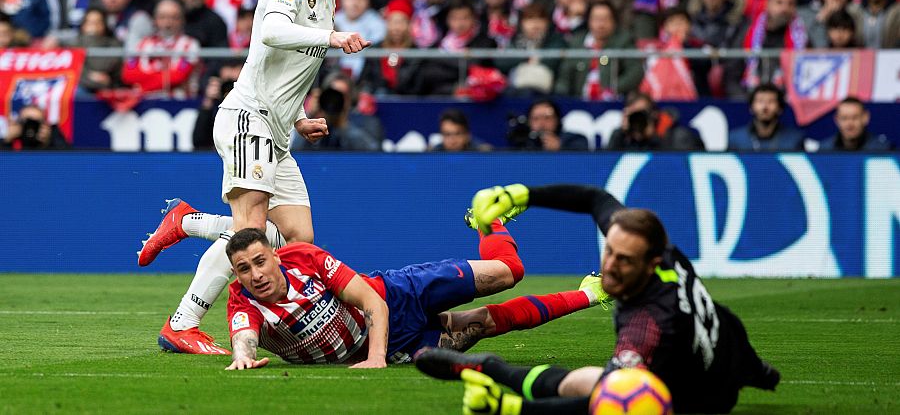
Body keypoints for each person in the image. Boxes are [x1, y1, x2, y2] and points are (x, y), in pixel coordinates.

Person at [138, 0, 372, 354]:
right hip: (249, 119)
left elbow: (291, 68)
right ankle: (182, 322)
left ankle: (190, 222)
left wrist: (299, 115)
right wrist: (335, 38)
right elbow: (272, 32)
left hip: (277, 130)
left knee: (299, 237)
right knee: (250, 237)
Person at [414, 182, 780, 414]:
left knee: (590, 386)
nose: (611, 266)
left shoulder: (647, 325)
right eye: (609, 252)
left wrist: (510, 408)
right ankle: (486, 366)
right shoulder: (652, 246)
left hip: (695, 399)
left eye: (624, 261)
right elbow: (595, 199)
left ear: (652, 264)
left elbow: (602, 404)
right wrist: (523, 195)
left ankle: (492, 370)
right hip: (722, 352)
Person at [224, 213, 609, 369]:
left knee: (510, 272)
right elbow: (244, 337)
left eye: (260, 262)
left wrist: (375, 359)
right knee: (485, 323)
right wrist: (243, 358)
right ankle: (592, 293)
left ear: (274, 256)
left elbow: (370, 300)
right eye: (244, 269)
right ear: (236, 275)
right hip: (399, 344)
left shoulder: (303, 257)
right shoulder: (243, 302)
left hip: (398, 295)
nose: (255, 274)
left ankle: (488, 217)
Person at [121, 0, 200, 95]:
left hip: (179, 101)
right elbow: (128, 74)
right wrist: (161, 77)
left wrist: (144, 85)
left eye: (174, 17)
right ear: (155, 20)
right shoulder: (143, 44)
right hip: (145, 101)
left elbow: (178, 76)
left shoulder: (190, 44)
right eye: (162, 17)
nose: (168, 23)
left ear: (182, 20)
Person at [607, 91, 705, 150]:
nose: (638, 119)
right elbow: (606, 166)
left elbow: (673, 168)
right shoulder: (623, 138)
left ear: (653, 114)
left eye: (641, 114)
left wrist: (652, 137)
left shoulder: (678, 136)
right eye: (634, 115)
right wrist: (621, 133)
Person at [728, 83, 805, 151]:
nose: (765, 107)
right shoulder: (735, 139)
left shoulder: (795, 139)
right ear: (751, 108)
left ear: (780, 108)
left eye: (771, 101)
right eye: (760, 101)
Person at [508, 99, 589, 151]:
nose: (541, 123)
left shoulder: (574, 139)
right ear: (529, 121)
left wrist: (560, 148)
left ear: (557, 120)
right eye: (536, 119)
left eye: (547, 118)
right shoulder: (523, 142)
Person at [819, 97, 893, 151]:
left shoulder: (882, 150)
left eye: (855, 118)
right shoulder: (824, 150)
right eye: (844, 118)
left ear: (865, 118)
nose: (849, 124)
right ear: (837, 120)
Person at [0, 104, 70, 150]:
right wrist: (6, 141)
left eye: (35, 123)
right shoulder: (11, 138)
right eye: (27, 122)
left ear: (44, 125)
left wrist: (48, 143)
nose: (30, 127)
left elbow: (70, 159)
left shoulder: (52, 135)